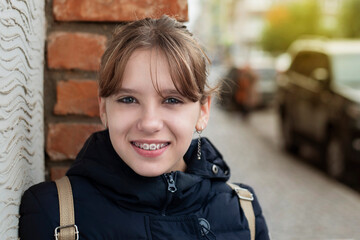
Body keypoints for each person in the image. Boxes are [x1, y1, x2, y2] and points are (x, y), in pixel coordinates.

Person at [19, 15, 269, 239]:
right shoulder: (52, 213)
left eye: (172, 100)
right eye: (128, 99)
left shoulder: (243, 211)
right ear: (104, 109)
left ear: (203, 111)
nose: (149, 123)